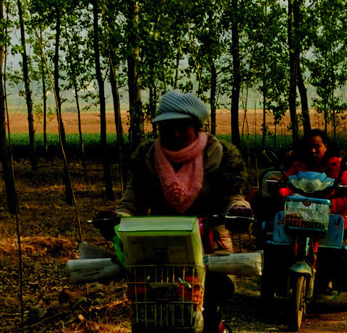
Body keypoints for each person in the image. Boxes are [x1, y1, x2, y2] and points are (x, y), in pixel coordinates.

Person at [96, 90, 247, 240]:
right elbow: (131, 203)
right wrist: (116, 218)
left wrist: (239, 210)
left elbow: (232, 197)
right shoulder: (146, 160)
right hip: (161, 243)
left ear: (196, 127)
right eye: (167, 128)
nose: (175, 134)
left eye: (182, 127)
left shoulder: (221, 157)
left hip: (212, 243)